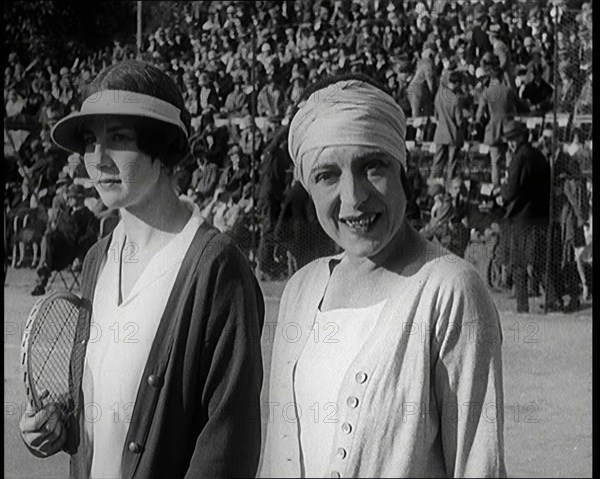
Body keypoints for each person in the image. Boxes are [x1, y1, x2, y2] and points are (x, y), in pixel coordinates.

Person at [19, 60, 264, 479]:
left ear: (163, 146)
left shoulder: (217, 267)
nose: (97, 160)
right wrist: (59, 423)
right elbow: (111, 404)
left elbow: (228, 449)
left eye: (118, 138)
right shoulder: (98, 258)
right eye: (90, 140)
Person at [260, 74, 505, 478]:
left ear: (401, 169)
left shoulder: (448, 290)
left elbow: (478, 464)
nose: (353, 198)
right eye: (327, 175)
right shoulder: (300, 290)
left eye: (371, 166)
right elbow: (278, 456)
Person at [498, 120, 550, 313]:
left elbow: (510, 191)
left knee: (519, 263)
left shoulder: (520, 157)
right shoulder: (538, 154)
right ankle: (553, 300)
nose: (510, 143)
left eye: (512, 139)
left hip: (522, 217)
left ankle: (522, 305)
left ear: (520, 137)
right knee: (541, 262)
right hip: (540, 215)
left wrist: (500, 191)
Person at [31, 183, 100, 296]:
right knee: (47, 236)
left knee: (47, 238)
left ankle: (43, 276)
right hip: (55, 251)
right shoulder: (65, 213)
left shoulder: (88, 216)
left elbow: (91, 237)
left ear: (79, 198)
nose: (68, 199)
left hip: (69, 252)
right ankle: (43, 272)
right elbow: (56, 229)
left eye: (71, 197)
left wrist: (79, 253)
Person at [431, 71, 465, 181]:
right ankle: (450, 183)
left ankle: (434, 182)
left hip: (440, 133)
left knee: (438, 160)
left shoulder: (439, 95)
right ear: (458, 83)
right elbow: (459, 121)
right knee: (452, 162)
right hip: (453, 134)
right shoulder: (456, 99)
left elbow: (436, 116)